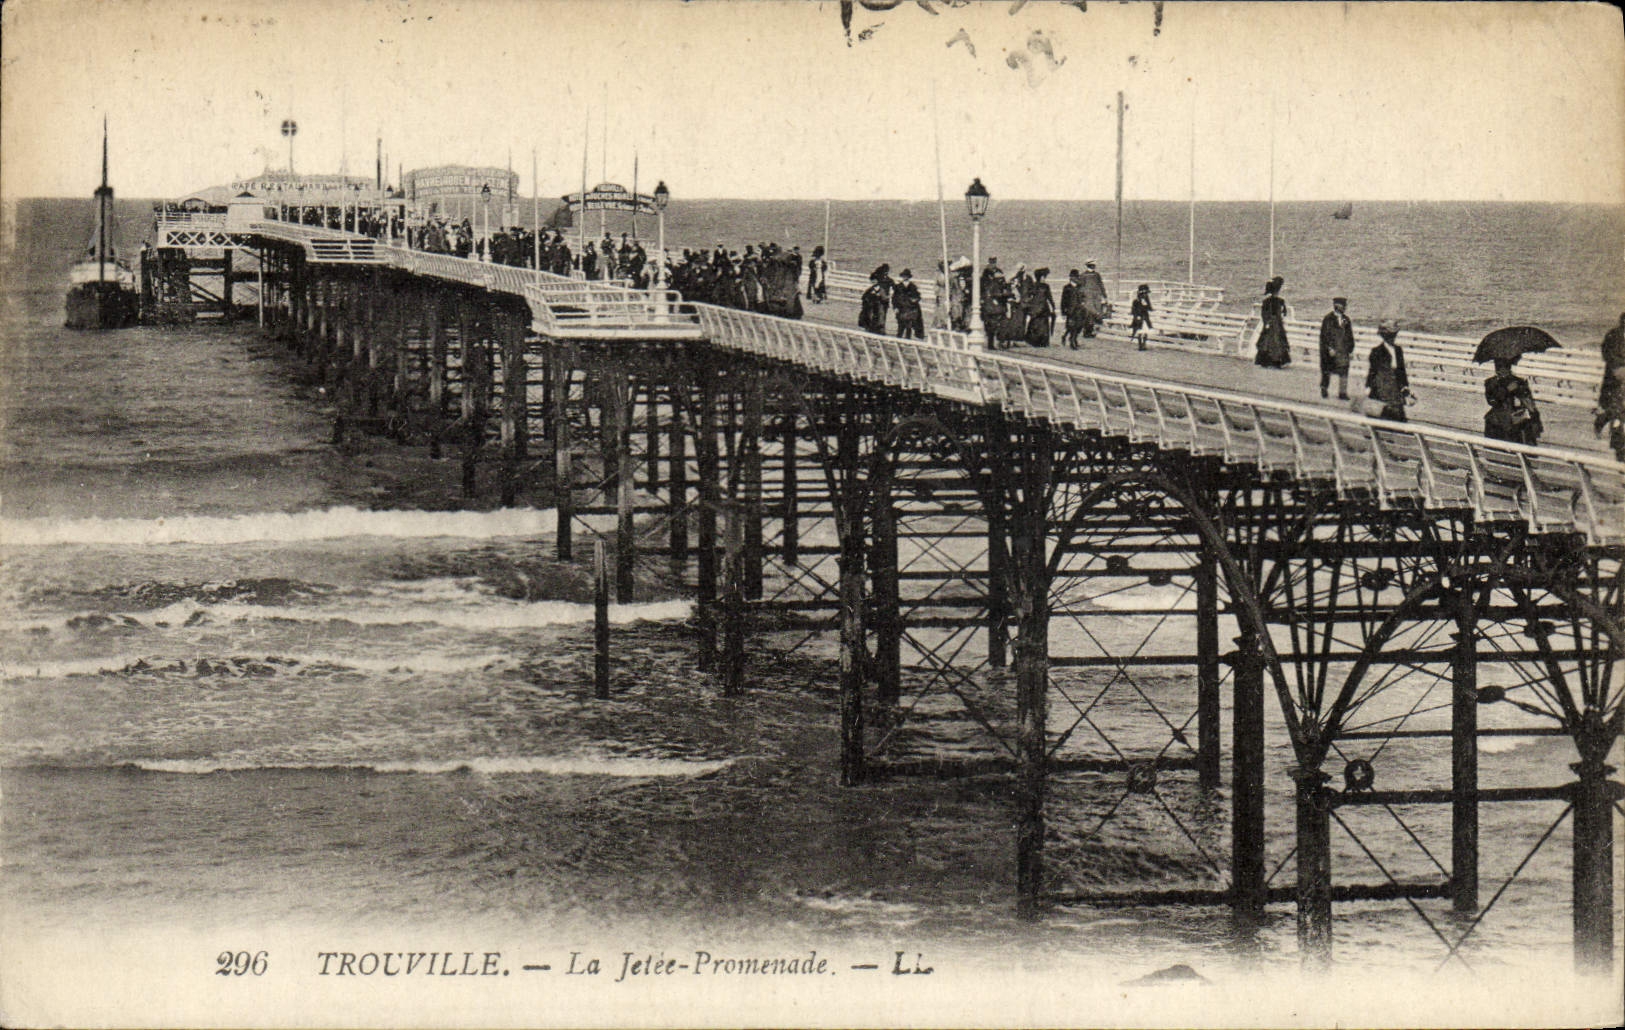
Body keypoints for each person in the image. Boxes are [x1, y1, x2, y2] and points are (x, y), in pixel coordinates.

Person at [1483, 357, 1543, 445]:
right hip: (1499, 418)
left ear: (1509, 367)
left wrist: (1520, 391)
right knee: (1493, 422)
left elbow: (1528, 401)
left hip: (1517, 416)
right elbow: (1492, 401)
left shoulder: (1518, 381)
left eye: (1505, 367)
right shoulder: (1490, 382)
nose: (1501, 370)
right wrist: (1507, 390)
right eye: (1499, 367)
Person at [1365, 319, 1411, 421]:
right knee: (1381, 416)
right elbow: (1373, 371)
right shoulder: (1376, 351)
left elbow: (1401, 370)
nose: (1392, 338)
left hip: (1395, 387)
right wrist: (1368, 386)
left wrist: (1405, 386)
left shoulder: (1398, 350)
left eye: (1394, 335)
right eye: (1390, 335)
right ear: (1384, 336)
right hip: (1382, 387)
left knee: (1397, 417)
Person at [1597, 312, 1625, 462]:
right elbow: (1615, 366)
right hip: (1616, 392)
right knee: (1618, 428)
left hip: (1615, 392)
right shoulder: (1613, 338)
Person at [1318, 297, 1356, 399]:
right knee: (1327, 370)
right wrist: (1329, 348)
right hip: (1331, 350)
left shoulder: (1346, 319)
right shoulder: (1328, 319)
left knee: (1344, 369)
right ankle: (1324, 388)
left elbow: (1350, 335)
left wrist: (1351, 349)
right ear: (1337, 306)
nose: (1345, 308)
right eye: (1343, 306)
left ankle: (1342, 393)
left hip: (1343, 349)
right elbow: (1324, 335)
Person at [1255, 276, 1291, 367]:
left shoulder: (1267, 301)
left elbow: (1264, 313)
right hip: (1276, 324)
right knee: (1276, 342)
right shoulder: (1280, 301)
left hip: (1271, 324)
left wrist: (1266, 322)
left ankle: (1268, 361)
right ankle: (1276, 361)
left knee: (1268, 342)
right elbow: (1284, 313)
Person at [1024, 268, 1056, 347]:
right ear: (1040, 277)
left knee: (1038, 324)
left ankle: (1037, 341)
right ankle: (1039, 342)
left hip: (1039, 308)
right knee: (1040, 325)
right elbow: (1049, 297)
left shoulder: (1037, 285)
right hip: (1040, 308)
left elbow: (1049, 297)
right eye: (1044, 277)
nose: (1044, 279)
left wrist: (1053, 306)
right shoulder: (1042, 286)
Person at [1078, 260, 1108, 337]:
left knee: (1094, 314)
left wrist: (1104, 296)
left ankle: (1090, 331)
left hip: (1095, 298)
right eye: (1092, 265)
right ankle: (1087, 332)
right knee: (1089, 315)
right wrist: (1081, 298)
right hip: (1089, 298)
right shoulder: (1084, 275)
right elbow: (1080, 288)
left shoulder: (1096, 275)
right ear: (1089, 266)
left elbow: (1101, 285)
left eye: (1093, 265)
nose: (1093, 267)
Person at [859, 264, 892, 334]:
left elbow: (885, 297)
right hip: (872, 306)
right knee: (872, 317)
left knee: (880, 317)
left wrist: (884, 297)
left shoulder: (886, 283)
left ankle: (880, 330)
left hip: (880, 305)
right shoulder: (871, 289)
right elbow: (864, 297)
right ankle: (871, 328)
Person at [894, 269, 925, 339]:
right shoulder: (898, 286)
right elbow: (894, 298)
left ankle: (907, 340)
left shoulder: (913, 286)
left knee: (909, 326)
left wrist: (914, 300)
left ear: (909, 277)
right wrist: (895, 307)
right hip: (901, 308)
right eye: (904, 276)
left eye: (906, 276)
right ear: (902, 277)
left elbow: (918, 297)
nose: (905, 277)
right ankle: (898, 339)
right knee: (900, 326)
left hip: (910, 309)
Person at [1061, 269, 1087, 348]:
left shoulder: (1080, 287)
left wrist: (1083, 302)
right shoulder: (1067, 288)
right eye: (1074, 277)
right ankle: (1072, 342)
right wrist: (1063, 312)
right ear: (1071, 278)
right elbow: (1063, 300)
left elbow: (1083, 297)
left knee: (1078, 326)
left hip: (1079, 310)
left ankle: (1067, 336)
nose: (1076, 278)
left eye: (1077, 277)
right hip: (1070, 311)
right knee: (1072, 326)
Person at [1130, 284, 1154, 351]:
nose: (1146, 295)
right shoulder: (1137, 301)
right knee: (1140, 331)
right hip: (1140, 317)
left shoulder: (1145, 300)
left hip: (1144, 317)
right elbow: (1133, 310)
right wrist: (1137, 315)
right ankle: (1141, 345)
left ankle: (1143, 344)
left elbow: (1149, 308)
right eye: (1145, 293)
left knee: (1144, 331)